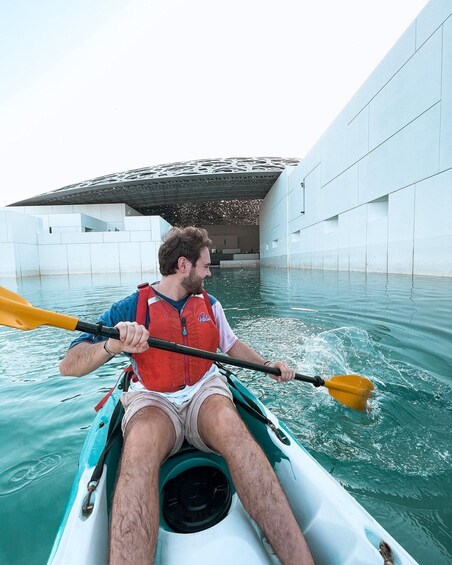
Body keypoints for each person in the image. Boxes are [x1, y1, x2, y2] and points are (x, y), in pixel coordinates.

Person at [59, 226, 314, 565]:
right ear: (184, 265)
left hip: (204, 393)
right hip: (153, 399)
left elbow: (232, 345)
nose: (210, 272)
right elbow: (69, 366)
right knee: (139, 449)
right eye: (205, 265)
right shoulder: (130, 307)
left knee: (234, 431)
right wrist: (111, 345)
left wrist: (267, 364)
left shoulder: (210, 304)